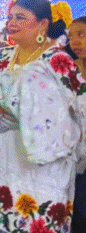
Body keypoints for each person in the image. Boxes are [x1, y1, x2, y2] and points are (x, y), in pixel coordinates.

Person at [0, 0, 84, 233]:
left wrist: (1, 106)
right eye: (10, 17)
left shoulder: (59, 61)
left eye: (21, 17)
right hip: (1, 160)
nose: (12, 22)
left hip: (45, 168)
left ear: (42, 24)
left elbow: (75, 115)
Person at [68, 17, 86, 231]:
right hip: (72, 160)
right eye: (71, 36)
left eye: (81, 34)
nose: (75, 41)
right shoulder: (67, 73)